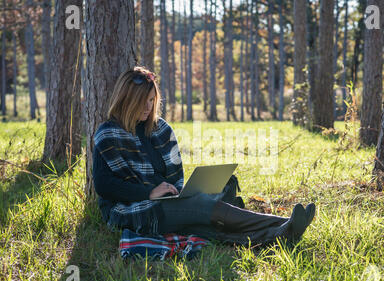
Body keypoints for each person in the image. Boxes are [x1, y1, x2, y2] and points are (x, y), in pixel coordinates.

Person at [92, 66, 315, 246]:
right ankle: (285, 224)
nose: (149, 107)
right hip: (131, 211)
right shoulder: (108, 134)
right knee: (200, 205)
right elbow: (105, 186)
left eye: (152, 100)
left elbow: (175, 174)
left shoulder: (160, 129)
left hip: (167, 202)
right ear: (128, 100)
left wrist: (175, 191)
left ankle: (280, 235)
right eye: (144, 101)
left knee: (212, 207)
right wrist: (149, 192)